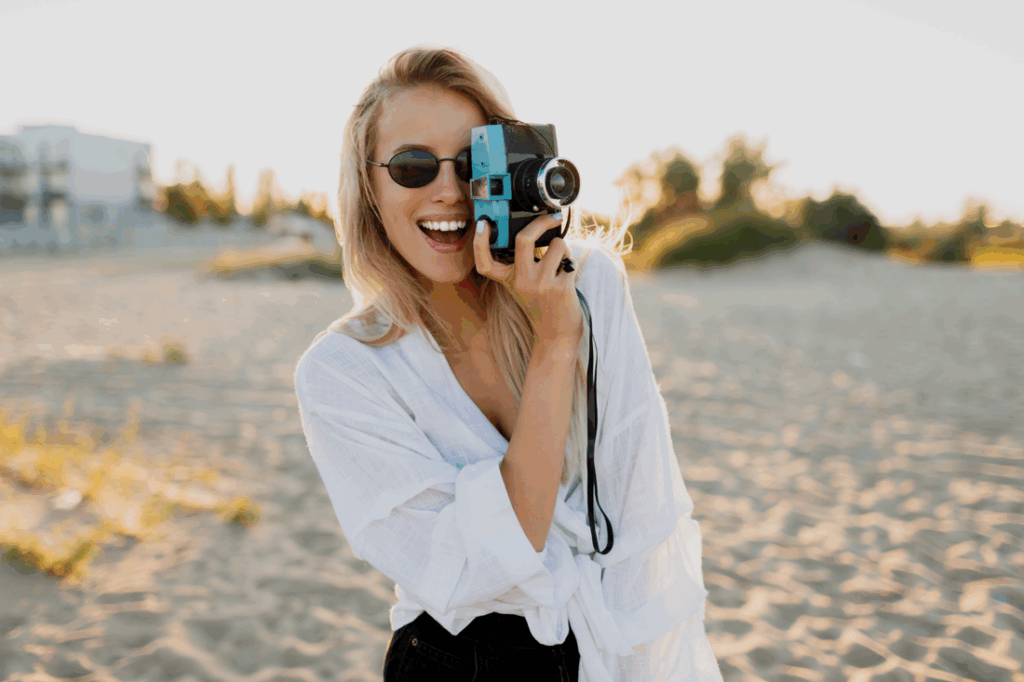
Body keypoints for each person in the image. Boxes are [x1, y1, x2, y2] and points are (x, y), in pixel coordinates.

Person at [293, 45, 723, 682]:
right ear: (370, 187)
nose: (449, 191)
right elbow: (487, 560)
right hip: (450, 663)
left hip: (604, 647)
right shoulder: (343, 371)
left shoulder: (588, 283)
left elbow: (642, 512)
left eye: (472, 163)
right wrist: (555, 342)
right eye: (413, 166)